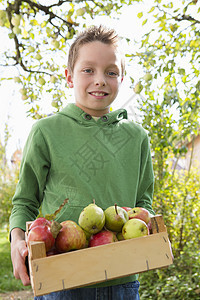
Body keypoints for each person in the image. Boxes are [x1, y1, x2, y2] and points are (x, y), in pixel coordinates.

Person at [9, 25, 154, 300]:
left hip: (121, 280)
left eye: (111, 72)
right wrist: (18, 240)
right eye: (88, 70)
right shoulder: (46, 132)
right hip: (62, 281)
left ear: (121, 79)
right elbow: (25, 201)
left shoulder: (137, 138)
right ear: (69, 77)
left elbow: (143, 204)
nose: (100, 79)